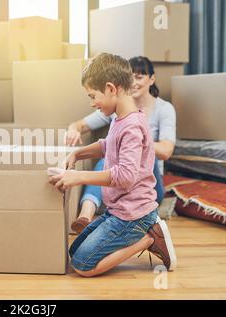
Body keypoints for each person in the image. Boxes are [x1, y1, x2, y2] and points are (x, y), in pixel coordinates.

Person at [49, 53, 176, 277]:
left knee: (82, 265)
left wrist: (78, 177)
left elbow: (126, 176)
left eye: (93, 96)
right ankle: (143, 233)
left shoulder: (132, 126)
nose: (92, 103)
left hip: (133, 215)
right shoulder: (119, 118)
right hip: (117, 210)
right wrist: (78, 153)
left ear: (110, 89)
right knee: (75, 250)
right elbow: (107, 144)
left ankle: (149, 238)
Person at [66, 56, 176, 233]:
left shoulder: (162, 110)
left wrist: (136, 143)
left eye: (139, 77)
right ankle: (85, 216)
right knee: (110, 157)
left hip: (147, 179)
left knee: (112, 159)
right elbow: (81, 125)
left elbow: (166, 150)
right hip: (123, 184)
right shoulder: (116, 109)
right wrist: (74, 135)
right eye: (131, 76)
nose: (134, 82)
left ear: (152, 79)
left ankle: (145, 233)